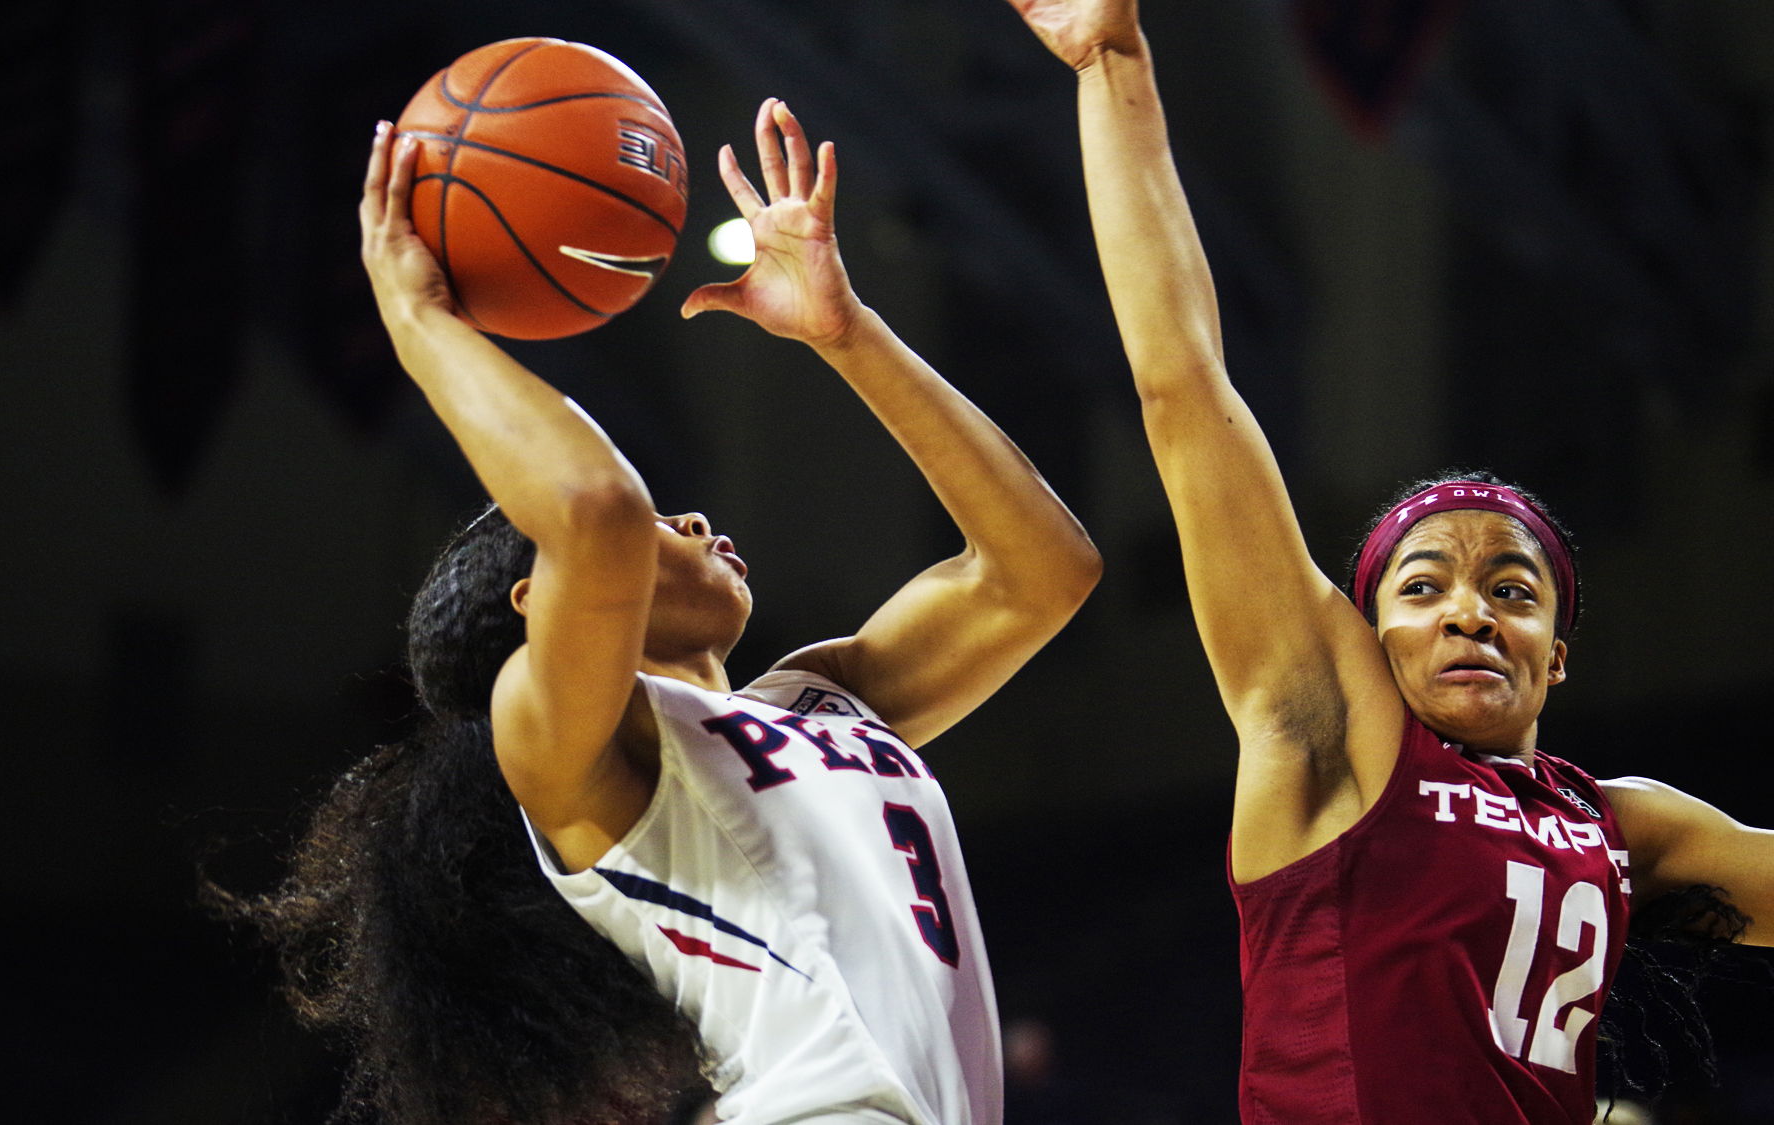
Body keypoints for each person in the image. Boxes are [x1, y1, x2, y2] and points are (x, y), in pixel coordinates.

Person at [219, 99, 1100, 1125]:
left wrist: (846, 334)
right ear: (534, 597)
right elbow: (596, 509)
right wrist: (418, 325)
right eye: (649, 528)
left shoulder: (824, 698)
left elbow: (1042, 568)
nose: (684, 515)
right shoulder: (559, 744)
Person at [1001, 1, 1774, 1122]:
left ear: (1554, 656)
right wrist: (1112, 66)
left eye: (1510, 591)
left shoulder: (1626, 828)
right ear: (1367, 634)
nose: (1469, 612)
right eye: (1422, 589)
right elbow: (1180, 380)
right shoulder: (1332, 731)